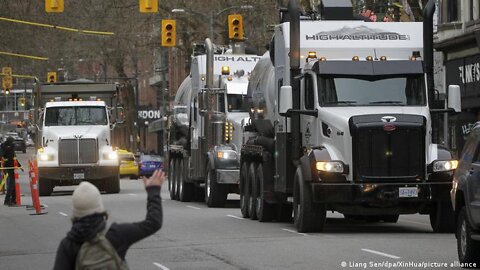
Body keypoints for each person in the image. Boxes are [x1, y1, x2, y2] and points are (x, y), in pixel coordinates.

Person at [53, 169, 165, 269]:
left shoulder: (68, 244)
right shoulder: (116, 234)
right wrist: (153, 191)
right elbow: (153, 222)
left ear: (75, 212)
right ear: (100, 208)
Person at [2, 136, 22, 206]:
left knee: (13, 185)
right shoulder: (8, 148)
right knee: (11, 185)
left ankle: (13, 200)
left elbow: (14, 158)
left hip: (10, 167)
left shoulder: (7, 147)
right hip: (9, 167)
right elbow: (11, 158)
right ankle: (7, 200)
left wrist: (19, 166)